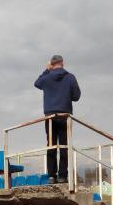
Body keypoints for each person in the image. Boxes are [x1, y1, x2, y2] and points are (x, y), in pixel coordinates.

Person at [34, 54, 81, 184]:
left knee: (51, 145)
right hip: (65, 116)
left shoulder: (46, 77)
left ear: (51, 64)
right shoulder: (70, 77)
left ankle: (51, 176)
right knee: (65, 145)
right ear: (63, 63)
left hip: (49, 116)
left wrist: (46, 70)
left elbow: (36, 83)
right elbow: (76, 96)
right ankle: (62, 176)